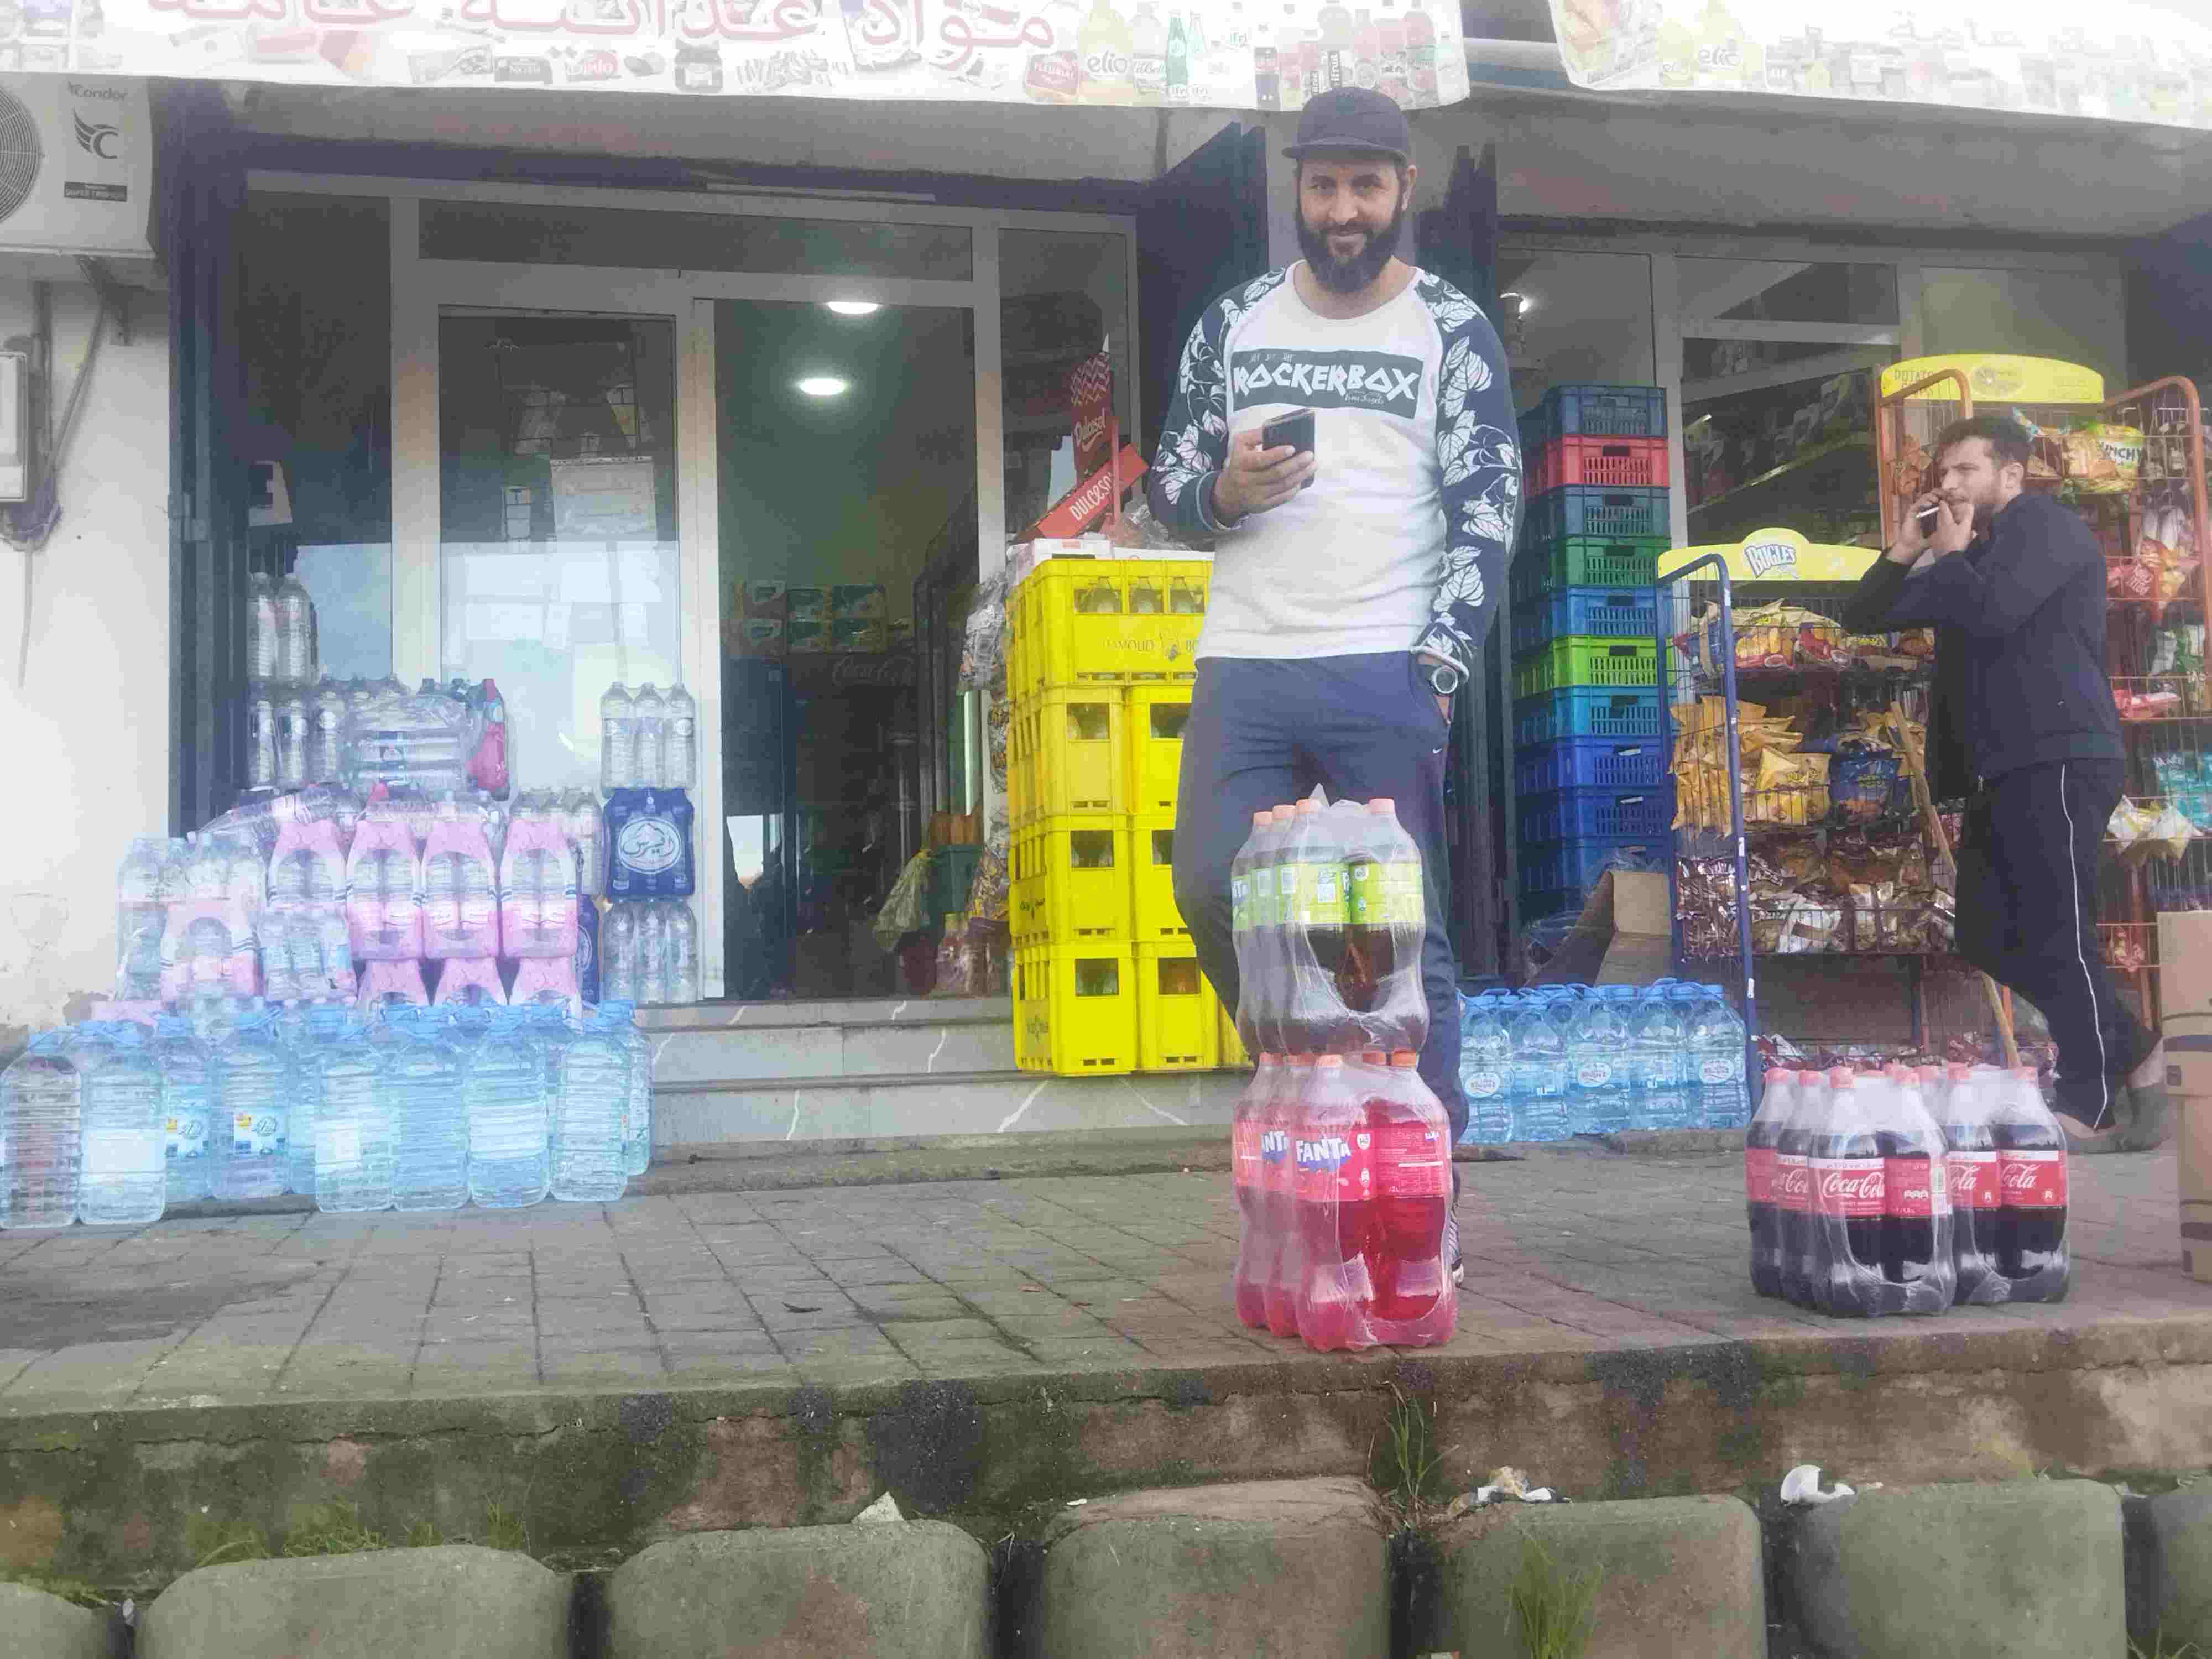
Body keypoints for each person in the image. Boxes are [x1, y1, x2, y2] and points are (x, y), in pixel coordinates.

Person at [1149, 87, 1520, 1279]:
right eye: (1323, 186)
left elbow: (1489, 506)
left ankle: (1423, 1198)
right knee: (1210, 885)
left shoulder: (1451, 327)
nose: (1344, 210)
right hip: (1245, 661)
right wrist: (1220, 496)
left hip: (1382, 663)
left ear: (1403, 190)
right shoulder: (1233, 322)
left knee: (1410, 938)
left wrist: (1438, 665)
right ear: (1295, 194)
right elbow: (1164, 488)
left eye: (1366, 186)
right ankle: (1301, 1066)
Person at [1840, 414, 2164, 1144]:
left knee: (2059, 931)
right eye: (1943, 473)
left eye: (1966, 470)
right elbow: (1863, 614)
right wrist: (1905, 548)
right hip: (2002, 768)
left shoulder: (2046, 529)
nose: (1949, 484)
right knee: (1986, 936)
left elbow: (1992, 615)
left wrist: (1952, 555)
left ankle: (2089, 1097)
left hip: (2061, 755)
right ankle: (2132, 1043)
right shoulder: (1973, 551)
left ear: (2011, 475)